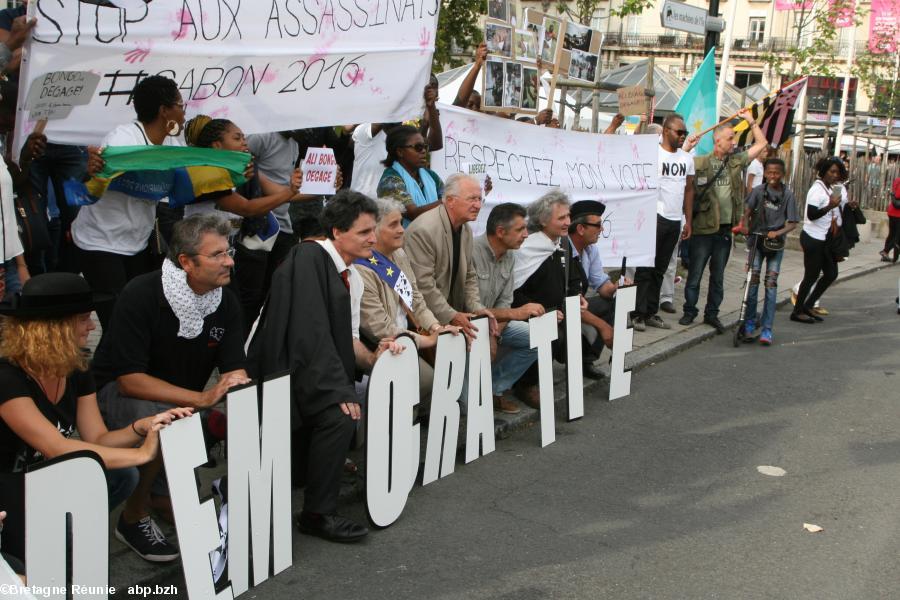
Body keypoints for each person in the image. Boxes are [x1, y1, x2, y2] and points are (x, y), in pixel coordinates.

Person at [0, 273, 189, 566]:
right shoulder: (7, 377)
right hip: (8, 485)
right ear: (51, 328)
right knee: (32, 578)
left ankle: (66, 536)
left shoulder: (74, 367)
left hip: (43, 477)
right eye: (83, 319)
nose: (91, 326)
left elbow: (98, 439)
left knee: (122, 475)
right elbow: (56, 448)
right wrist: (140, 453)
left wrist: (144, 426)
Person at [91, 214, 249, 561]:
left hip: (178, 400)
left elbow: (234, 367)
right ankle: (132, 518)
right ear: (186, 262)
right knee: (161, 419)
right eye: (218, 254)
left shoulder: (226, 300)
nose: (230, 261)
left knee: (185, 506)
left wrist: (238, 390)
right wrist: (203, 398)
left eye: (229, 251)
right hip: (117, 396)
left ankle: (161, 496)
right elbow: (130, 381)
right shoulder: (142, 292)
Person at [248, 191, 402, 543]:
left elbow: (347, 341)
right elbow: (308, 330)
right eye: (364, 232)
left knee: (343, 409)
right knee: (341, 413)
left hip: (312, 369)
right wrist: (338, 389)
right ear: (336, 231)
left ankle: (313, 494)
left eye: (372, 230)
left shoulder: (355, 277)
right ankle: (317, 514)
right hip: (276, 369)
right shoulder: (308, 256)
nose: (373, 239)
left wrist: (375, 358)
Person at [73, 75, 186, 331]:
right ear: (164, 110)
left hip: (136, 243)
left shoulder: (172, 144)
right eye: (180, 105)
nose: (184, 112)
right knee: (118, 322)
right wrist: (94, 169)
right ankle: (110, 370)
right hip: (100, 243)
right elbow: (95, 178)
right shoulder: (123, 140)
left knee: (136, 318)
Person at [183, 116, 302, 332]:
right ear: (217, 145)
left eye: (244, 137)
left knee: (233, 307)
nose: (244, 143)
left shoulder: (240, 171)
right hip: (198, 257)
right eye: (237, 138)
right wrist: (290, 191)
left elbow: (278, 194)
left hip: (222, 254)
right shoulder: (207, 172)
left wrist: (323, 187)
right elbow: (248, 208)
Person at [357, 197, 459, 405]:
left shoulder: (399, 254)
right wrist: (429, 340)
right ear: (373, 230)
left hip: (408, 337)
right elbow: (379, 328)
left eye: (401, 222)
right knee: (427, 381)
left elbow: (416, 300)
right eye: (393, 224)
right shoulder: (361, 268)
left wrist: (436, 327)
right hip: (382, 346)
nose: (402, 229)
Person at [680, 108, 768, 333]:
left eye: (734, 138)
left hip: (725, 230)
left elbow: (761, 144)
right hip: (703, 229)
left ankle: (712, 314)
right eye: (730, 138)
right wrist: (687, 147)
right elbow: (679, 166)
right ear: (716, 140)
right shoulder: (699, 162)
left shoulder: (736, 161)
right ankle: (690, 311)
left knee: (718, 277)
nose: (733, 142)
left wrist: (751, 122)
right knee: (695, 275)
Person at [513, 193, 608, 385]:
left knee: (600, 310)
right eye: (561, 218)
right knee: (555, 333)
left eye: (568, 217)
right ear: (543, 221)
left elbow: (573, 279)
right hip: (533, 314)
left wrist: (577, 297)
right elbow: (513, 291)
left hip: (561, 311)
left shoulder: (563, 243)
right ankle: (527, 385)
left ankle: (584, 362)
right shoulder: (526, 247)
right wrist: (542, 311)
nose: (567, 223)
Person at [404, 174, 497, 343]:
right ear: (450, 200)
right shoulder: (424, 230)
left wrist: (477, 308)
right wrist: (451, 315)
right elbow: (423, 285)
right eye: (471, 199)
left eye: (479, 199)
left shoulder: (465, 229)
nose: (477, 205)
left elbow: (469, 275)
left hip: (452, 316)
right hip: (426, 321)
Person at [472, 203, 542, 412]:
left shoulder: (510, 255)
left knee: (537, 337)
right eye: (520, 229)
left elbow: (504, 301)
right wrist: (516, 314)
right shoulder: (471, 252)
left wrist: (493, 336)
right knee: (468, 406)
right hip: (469, 327)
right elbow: (469, 308)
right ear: (501, 232)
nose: (526, 235)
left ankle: (494, 389)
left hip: (494, 326)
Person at [632, 113, 694, 332]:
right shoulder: (653, 153)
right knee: (645, 268)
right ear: (666, 131)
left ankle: (650, 312)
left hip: (675, 219)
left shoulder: (686, 158)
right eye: (679, 132)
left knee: (660, 269)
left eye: (684, 133)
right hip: (654, 216)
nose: (682, 136)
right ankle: (637, 314)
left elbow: (689, 189)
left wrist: (688, 219)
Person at [738, 158, 799, 345]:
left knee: (771, 284)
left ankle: (767, 328)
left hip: (775, 244)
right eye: (770, 172)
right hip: (757, 240)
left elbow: (793, 223)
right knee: (753, 282)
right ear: (765, 173)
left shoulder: (788, 195)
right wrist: (745, 225)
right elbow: (747, 211)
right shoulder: (758, 191)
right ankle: (749, 323)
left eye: (777, 173)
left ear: (783, 174)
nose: (773, 176)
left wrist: (777, 232)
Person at [565, 200, 621, 378]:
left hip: (577, 305)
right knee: (598, 321)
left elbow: (602, 286)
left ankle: (586, 360)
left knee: (612, 303)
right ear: (581, 229)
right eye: (597, 225)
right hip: (560, 308)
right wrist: (603, 327)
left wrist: (615, 288)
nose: (602, 229)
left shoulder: (591, 250)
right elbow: (567, 302)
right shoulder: (562, 252)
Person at [792, 156, 851, 324]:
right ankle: (797, 311)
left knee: (831, 273)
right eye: (831, 171)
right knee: (810, 276)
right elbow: (811, 215)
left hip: (824, 239)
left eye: (837, 172)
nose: (834, 175)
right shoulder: (816, 190)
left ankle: (808, 305)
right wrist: (830, 206)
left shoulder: (829, 188)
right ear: (823, 171)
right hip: (813, 238)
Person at [377, 125, 444, 222]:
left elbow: (445, 198)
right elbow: (413, 213)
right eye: (418, 147)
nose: (424, 151)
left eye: (425, 146)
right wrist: (450, 200)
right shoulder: (390, 180)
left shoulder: (431, 175)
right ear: (400, 152)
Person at [879, 174, 900, 263]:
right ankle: (885, 251)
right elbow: (898, 195)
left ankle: (886, 253)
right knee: (897, 236)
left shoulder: (897, 179)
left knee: (892, 234)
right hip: (898, 214)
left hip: (892, 212)